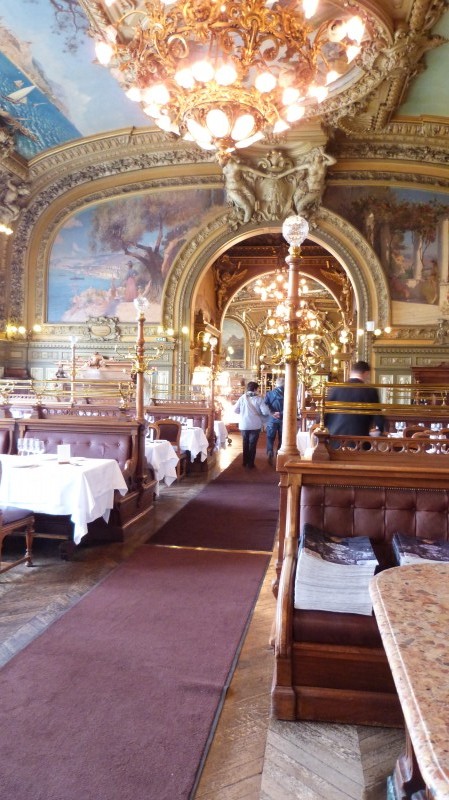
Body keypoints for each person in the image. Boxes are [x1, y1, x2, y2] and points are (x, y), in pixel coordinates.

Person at [324, 360, 384, 436]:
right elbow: (378, 418)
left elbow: (322, 416)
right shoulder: (370, 391)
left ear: (351, 372)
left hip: (335, 441)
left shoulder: (335, 389)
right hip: (359, 442)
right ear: (366, 373)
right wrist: (382, 431)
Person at [233, 381, 270, 468]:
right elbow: (265, 412)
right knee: (252, 444)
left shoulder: (242, 398)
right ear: (255, 389)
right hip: (255, 424)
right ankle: (250, 463)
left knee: (245, 442)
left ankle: (244, 461)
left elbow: (235, 410)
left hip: (244, 424)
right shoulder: (259, 399)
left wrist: (243, 413)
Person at [264, 376, 285, 465]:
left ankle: (269, 452)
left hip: (272, 419)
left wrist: (272, 413)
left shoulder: (269, 394)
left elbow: (265, 406)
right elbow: (290, 407)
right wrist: (280, 413)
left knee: (270, 437)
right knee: (282, 438)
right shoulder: (288, 394)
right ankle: (279, 454)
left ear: (276, 384)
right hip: (283, 419)